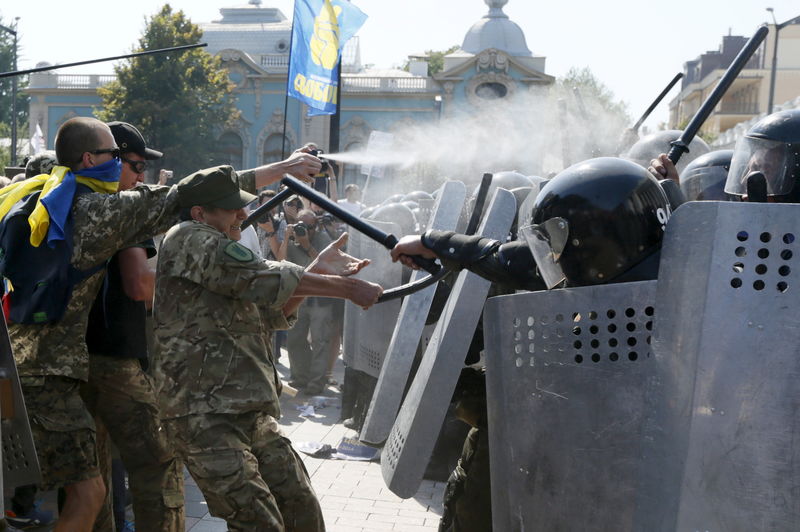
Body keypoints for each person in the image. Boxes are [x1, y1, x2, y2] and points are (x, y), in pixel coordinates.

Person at [2, 116, 322, 531]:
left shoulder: (33, 198)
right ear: (88, 159)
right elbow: (180, 197)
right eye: (115, 156)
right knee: (98, 489)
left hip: (25, 365)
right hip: (50, 371)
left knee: (89, 486)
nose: (123, 166)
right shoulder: (96, 209)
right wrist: (277, 171)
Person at [151, 165, 382, 531]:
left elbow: (269, 315)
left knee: (300, 507)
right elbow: (262, 275)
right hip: (202, 414)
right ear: (199, 213)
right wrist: (348, 288)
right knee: (258, 520)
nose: (242, 214)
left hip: (247, 408)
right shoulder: (188, 238)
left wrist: (319, 266)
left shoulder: (222, 248)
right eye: (231, 208)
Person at [83, 121, 183, 532]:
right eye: (136, 165)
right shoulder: (122, 212)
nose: (141, 177)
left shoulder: (77, 201)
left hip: (75, 361)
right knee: (159, 465)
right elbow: (140, 284)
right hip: (116, 360)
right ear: (112, 160)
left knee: (92, 477)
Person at [280, 209, 337, 395]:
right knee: (295, 339)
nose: (306, 231)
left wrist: (307, 246)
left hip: (320, 299)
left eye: (310, 227)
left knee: (320, 341)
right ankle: (300, 377)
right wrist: (287, 237)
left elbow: (327, 267)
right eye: (302, 226)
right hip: (298, 298)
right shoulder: (292, 239)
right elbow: (281, 261)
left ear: (316, 226)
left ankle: (316, 382)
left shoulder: (323, 239)